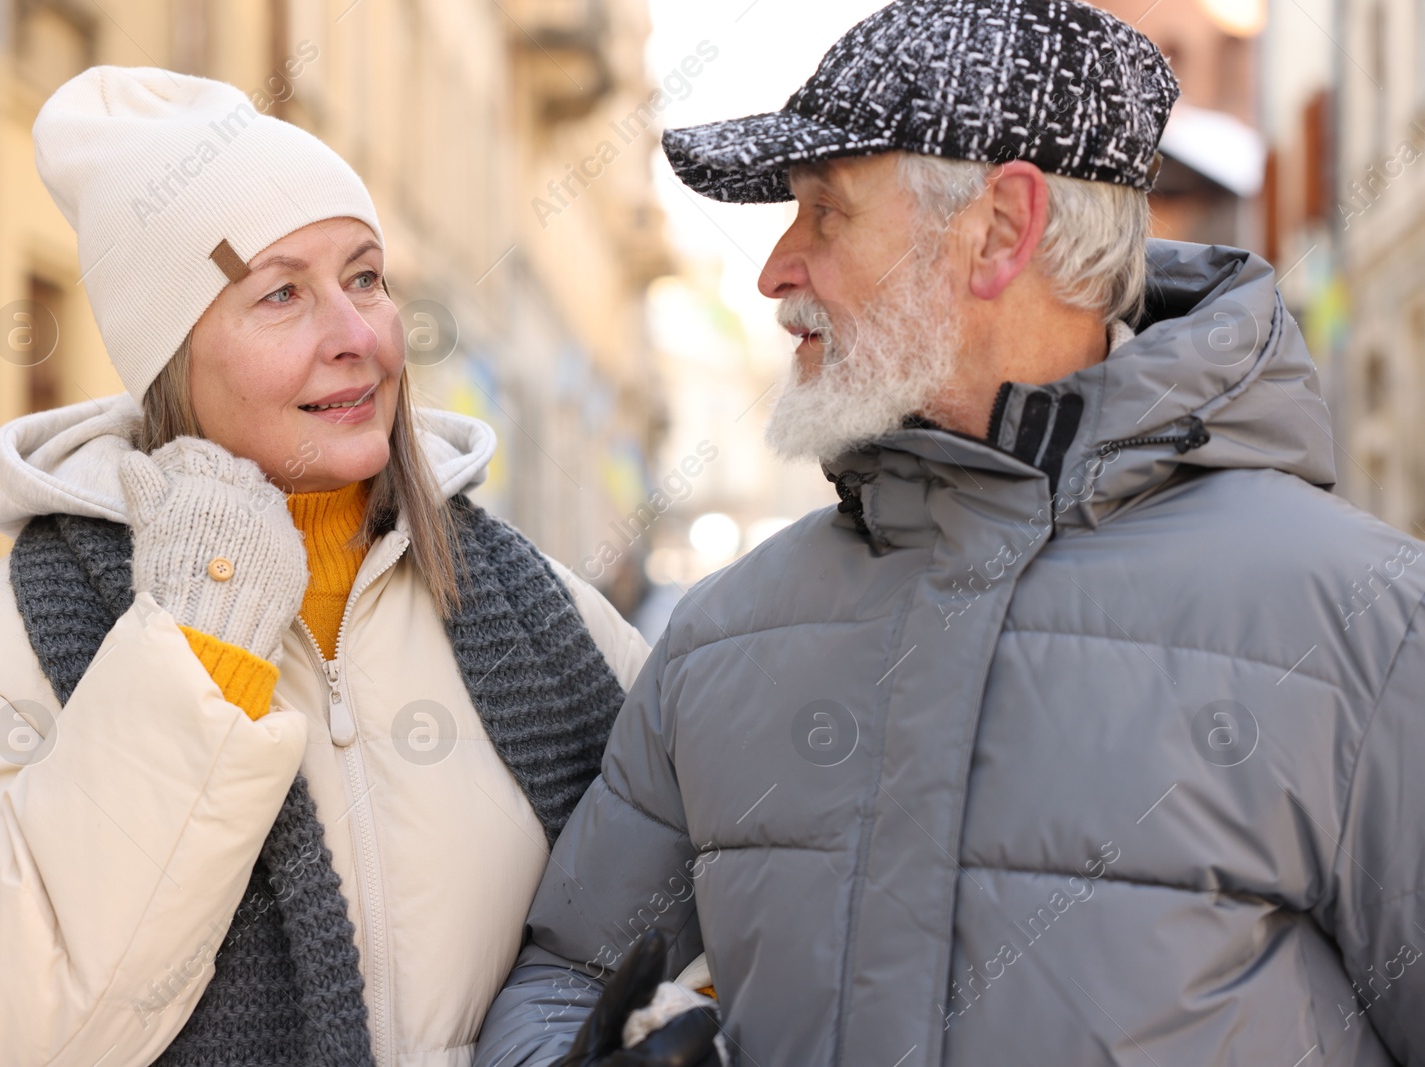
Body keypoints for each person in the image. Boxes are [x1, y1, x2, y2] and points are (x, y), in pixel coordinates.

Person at [473, 1, 1425, 1064]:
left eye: (824, 214)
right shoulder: (724, 631)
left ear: (1000, 230)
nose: (774, 269)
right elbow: (568, 970)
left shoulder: (1368, 624)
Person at [0, 66, 652, 1067]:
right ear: (171, 357)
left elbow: (687, 923)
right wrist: (197, 648)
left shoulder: (546, 613)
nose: (355, 336)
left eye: (365, 277)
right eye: (280, 293)